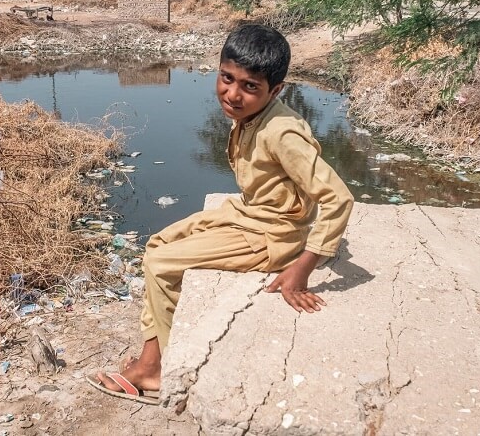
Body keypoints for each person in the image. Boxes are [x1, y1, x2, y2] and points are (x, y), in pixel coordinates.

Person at [87, 24, 355, 404]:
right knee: (157, 244)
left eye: (250, 86)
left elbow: (338, 199)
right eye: (226, 78)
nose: (232, 94)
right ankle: (153, 354)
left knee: (160, 265)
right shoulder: (252, 115)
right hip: (249, 214)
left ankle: (158, 370)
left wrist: (302, 268)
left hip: (271, 234)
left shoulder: (282, 133)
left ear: (276, 90)